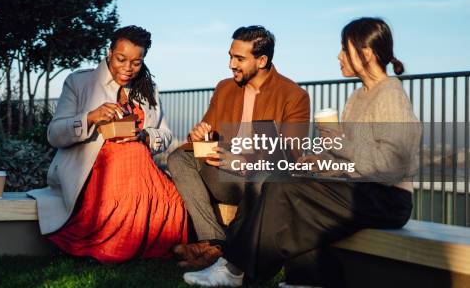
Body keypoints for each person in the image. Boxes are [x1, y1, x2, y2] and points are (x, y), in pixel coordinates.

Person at [182, 17, 422, 287]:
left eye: (345, 49)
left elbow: (390, 163)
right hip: (360, 189)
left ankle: (234, 268)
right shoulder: (358, 97)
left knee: (286, 190)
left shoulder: (389, 94)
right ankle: (304, 279)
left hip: (387, 199)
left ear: (365, 54)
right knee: (280, 181)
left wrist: (337, 144)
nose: (339, 56)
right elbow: (352, 159)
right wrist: (320, 163)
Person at [27, 25, 187, 263]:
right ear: (110, 52)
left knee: (172, 195)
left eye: (136, 62)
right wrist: (90, 118)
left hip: (140, 171)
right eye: (121, 59)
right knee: (128, 157)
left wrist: (143, 136)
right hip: (91, 171)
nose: (128, 68)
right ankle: (112, 247)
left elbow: (165, 136)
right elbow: (54, 134)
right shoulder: (79, 82)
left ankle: (126, 245)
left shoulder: (149, 90)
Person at [167, 25, 310, 269]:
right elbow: (205, 132)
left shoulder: (294, 96)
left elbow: (290, 157)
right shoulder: (224, 87)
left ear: (262, 60)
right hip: (224, 176)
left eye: (239, 58)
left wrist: (245, 162)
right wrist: (200, 136)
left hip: (260, 183)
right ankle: (213, 242)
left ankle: (230, 251)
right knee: (179, 157)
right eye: (230, 56)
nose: (231, 64)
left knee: (264, 175)